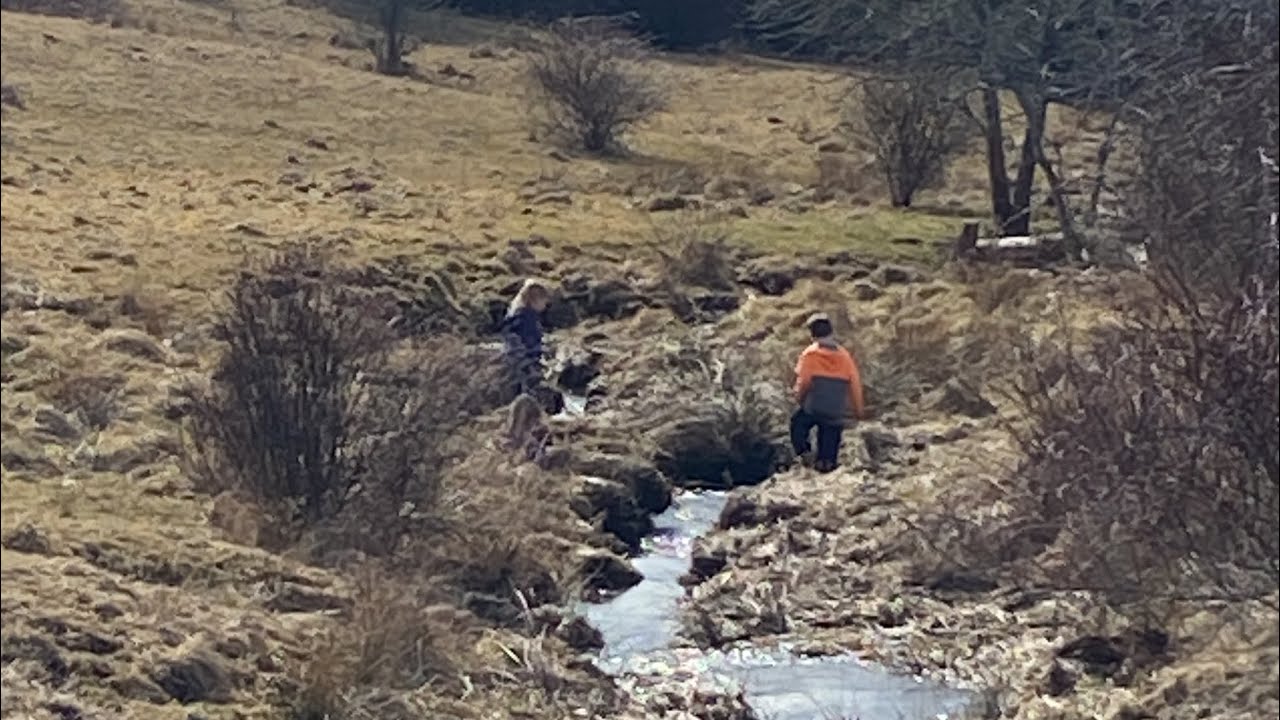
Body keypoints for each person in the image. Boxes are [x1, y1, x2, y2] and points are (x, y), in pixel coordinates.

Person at [791, 312, 867, 473]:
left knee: (797, 425)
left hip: (814, 407)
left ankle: (805, 455)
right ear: (831, 332)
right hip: (835, 409)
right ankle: (827, 465)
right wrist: (858, 411)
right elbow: (855, 385)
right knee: (829, 445)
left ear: (812, 334)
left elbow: (803, 381)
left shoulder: (810, 354)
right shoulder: (845, 356)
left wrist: (799, 398)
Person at [501, 278, 552, 397]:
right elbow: (529, 341)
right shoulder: (528, 318)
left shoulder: (515, 315)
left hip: (514, 360)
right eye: (544, 301)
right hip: (526, 361)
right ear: (535, 300)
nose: (545, 305)